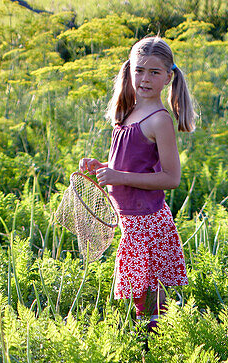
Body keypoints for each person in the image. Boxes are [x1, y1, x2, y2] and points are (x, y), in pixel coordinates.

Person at [79, 37, 195, 332]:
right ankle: (154, 337)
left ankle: (157, 342)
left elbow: (171, 178)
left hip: (147, 220)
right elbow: (130, 167)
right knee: (141, 289)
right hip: (129, 218)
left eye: (154, 72)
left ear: (168, 78)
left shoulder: (160, 121)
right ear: (129, 71)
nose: (145, 78)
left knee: (148, 291)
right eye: (139, 70)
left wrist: (119, 178)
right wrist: (103, 169)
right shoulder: (128, 113)